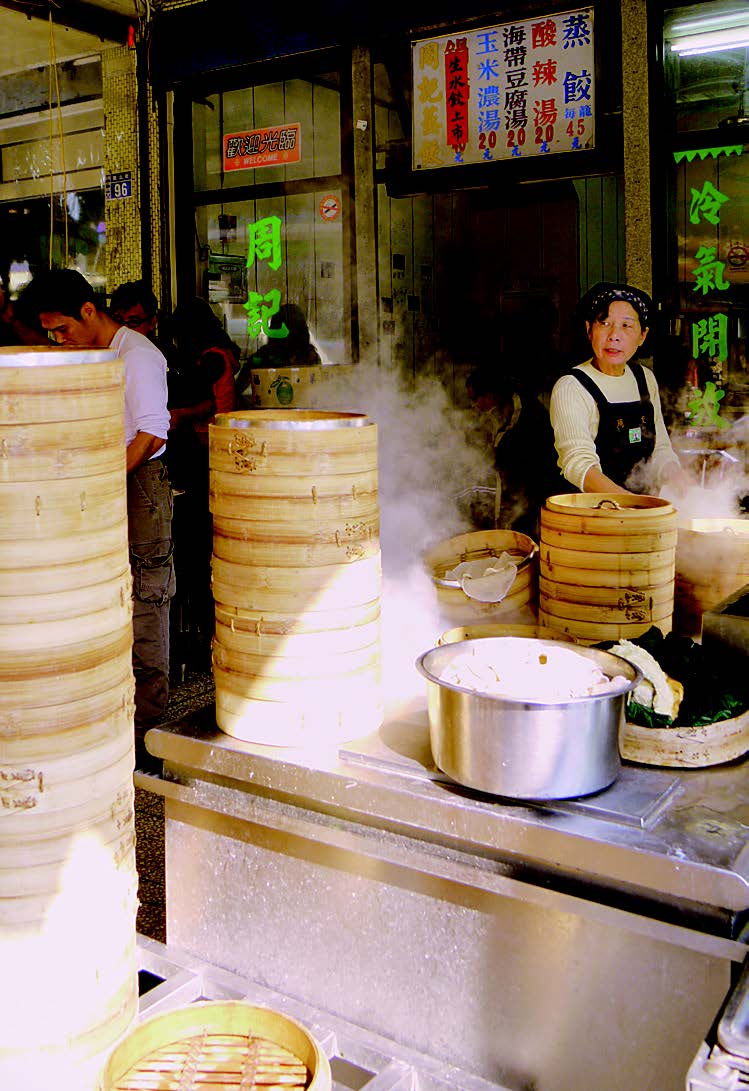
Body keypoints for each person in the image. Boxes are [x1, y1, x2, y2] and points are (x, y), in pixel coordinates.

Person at [18, 268, 174, 769]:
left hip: (139, 487)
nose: (58, 341)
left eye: (61, 329)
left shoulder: (138, 356)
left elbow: (150, 434)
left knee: (145, 601)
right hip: (107, 483)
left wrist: (94, 481)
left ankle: (150, 738)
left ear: (89, 311)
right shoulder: (92, 353)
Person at [550, 282, 686, 495]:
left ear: (642, 335)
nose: (614, 335)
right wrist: (630, 504)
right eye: (604, 323)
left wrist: (687, 488)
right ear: (589, 331)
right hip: (592, 515)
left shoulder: (645, 378)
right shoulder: (571, 387)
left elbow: (660, 450)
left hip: (643, 511)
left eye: (626, 325)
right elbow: (578, 464)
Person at [166, 297, 238, 673]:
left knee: (198, 547)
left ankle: (202, 635)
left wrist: (182, 414)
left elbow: (214, 404)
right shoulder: (214, 353)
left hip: (208, 450)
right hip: (205, 450)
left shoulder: (213, 357)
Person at [235, 303, 321, 406]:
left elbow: (236, 391)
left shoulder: (262, 357)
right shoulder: (310, 357)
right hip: (304, 417)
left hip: (269, 418)